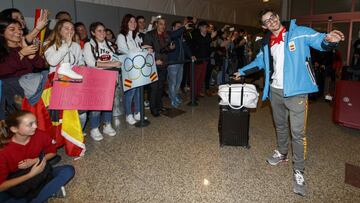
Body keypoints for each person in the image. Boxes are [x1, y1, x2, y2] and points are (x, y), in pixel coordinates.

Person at [234, 8, 344, 196]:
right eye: (267, 21)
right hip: (276, 91)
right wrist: (242, 71)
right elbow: (259, 62)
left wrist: (327, 40)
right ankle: (282, 153)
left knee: (298, 133)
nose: (271, 22)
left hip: (297, 92)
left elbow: (317, 39)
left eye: (273, 17)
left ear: (278, 17)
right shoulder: (267, 43)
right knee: (280, 125)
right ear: (263, 26)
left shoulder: (298, 33)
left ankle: (299, 170)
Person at [0, 110, 75, 202]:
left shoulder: (39, 134)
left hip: (41, 174)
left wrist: (35, 160)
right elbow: (1, 186)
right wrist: (31, 174)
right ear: (14, 129)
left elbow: (52, 152)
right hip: (18, 182)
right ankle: (48, 192)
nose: (35, 126)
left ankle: (39, 197)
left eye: (36, 122)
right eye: (30, 124)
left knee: (68, 170)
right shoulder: (4, 151)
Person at [0, 18, 46, 120]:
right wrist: (21, 54)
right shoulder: (3, 50)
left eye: (20, 29)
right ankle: (28, 107)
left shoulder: (24, 46)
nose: (18, 32)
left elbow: (41, 65)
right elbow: (3, 71)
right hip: (11, 89)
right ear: (2, 33)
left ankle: (30, 106)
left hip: (29, 86)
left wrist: (30, 55)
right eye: (12, 29)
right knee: (11, 82)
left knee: (47, 75)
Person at [83, 22, 120, 140]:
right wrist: (111, 63)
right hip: (95, 78)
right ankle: (94, 128)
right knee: (96, 105)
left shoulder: (109, 44)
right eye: (99, 31)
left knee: (108, 103)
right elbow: (91, 63)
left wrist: (116, 63)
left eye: (103, 30)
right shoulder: (89, 45)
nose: (102, 33)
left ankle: (107, 125)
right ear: (93, 33)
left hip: (110, 78)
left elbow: (116, 59)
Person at [116, 14, 149, 124]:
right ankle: (128, 114)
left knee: (139, 91)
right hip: (128, 68)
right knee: (130, 92)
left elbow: (139, 49)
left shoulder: (137, 36)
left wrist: (145, 50)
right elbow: (124, 51)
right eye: (130, 21)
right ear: (125, 23)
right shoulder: (121, 36)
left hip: (139, 67)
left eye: (134, 22)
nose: (133, 24)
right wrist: (141, 49)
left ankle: (138, 112)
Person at [143, 16, 175, 117]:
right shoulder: (149, 35)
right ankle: (153, 109)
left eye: (164, 24)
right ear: (156, 24)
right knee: (154, 87)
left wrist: (170, 48)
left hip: (164, 64)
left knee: (161, 87)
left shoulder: (166, 35)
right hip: (153, 65)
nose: (163, 26)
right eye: (161, 24)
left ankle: (159, 106)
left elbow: (165, 49)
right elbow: (146, 50)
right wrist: (155, 60)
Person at [167, 20, 194, 108]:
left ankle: (174, 96)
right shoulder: (170, 34)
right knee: (173, 82)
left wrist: (191, 56)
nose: (180, 28)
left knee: (178, 82)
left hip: (181, 63)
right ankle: (172, 99)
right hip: (173, 63)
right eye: (178, 27)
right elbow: (173, 35)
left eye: (180, 26)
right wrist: (183, 28)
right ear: (173, 28)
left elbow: (186, 47)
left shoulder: (181, 37)